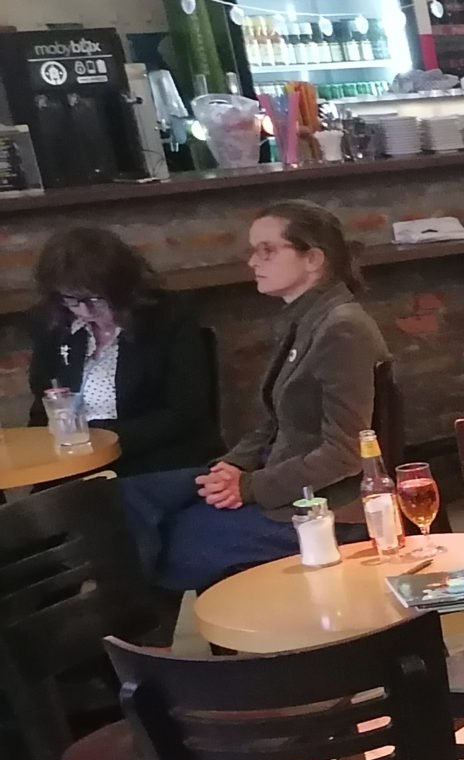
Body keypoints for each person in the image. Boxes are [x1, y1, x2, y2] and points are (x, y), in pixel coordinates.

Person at [119, 202, 386, 596]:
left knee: (167, 540)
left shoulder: (341, 329)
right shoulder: (307, 318)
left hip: (325, 505)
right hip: (277, 472)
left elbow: (345, 454)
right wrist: (232, 465)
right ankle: (131, 622)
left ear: (313, 259)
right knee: (129, 497)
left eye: (267, 250)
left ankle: (138, 626)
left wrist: (249, 487)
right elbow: (274, 421)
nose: (252, 262)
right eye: (254, 251)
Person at [25, 226, 215, 478]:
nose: (85, 311)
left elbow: (185, 414)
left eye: (95, 299)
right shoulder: (54, 325)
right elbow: (42, 404)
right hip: (74, 463)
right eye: (72, 299)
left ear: (121, 288)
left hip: (153, 460)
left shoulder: (167, 317)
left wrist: (101, 439)